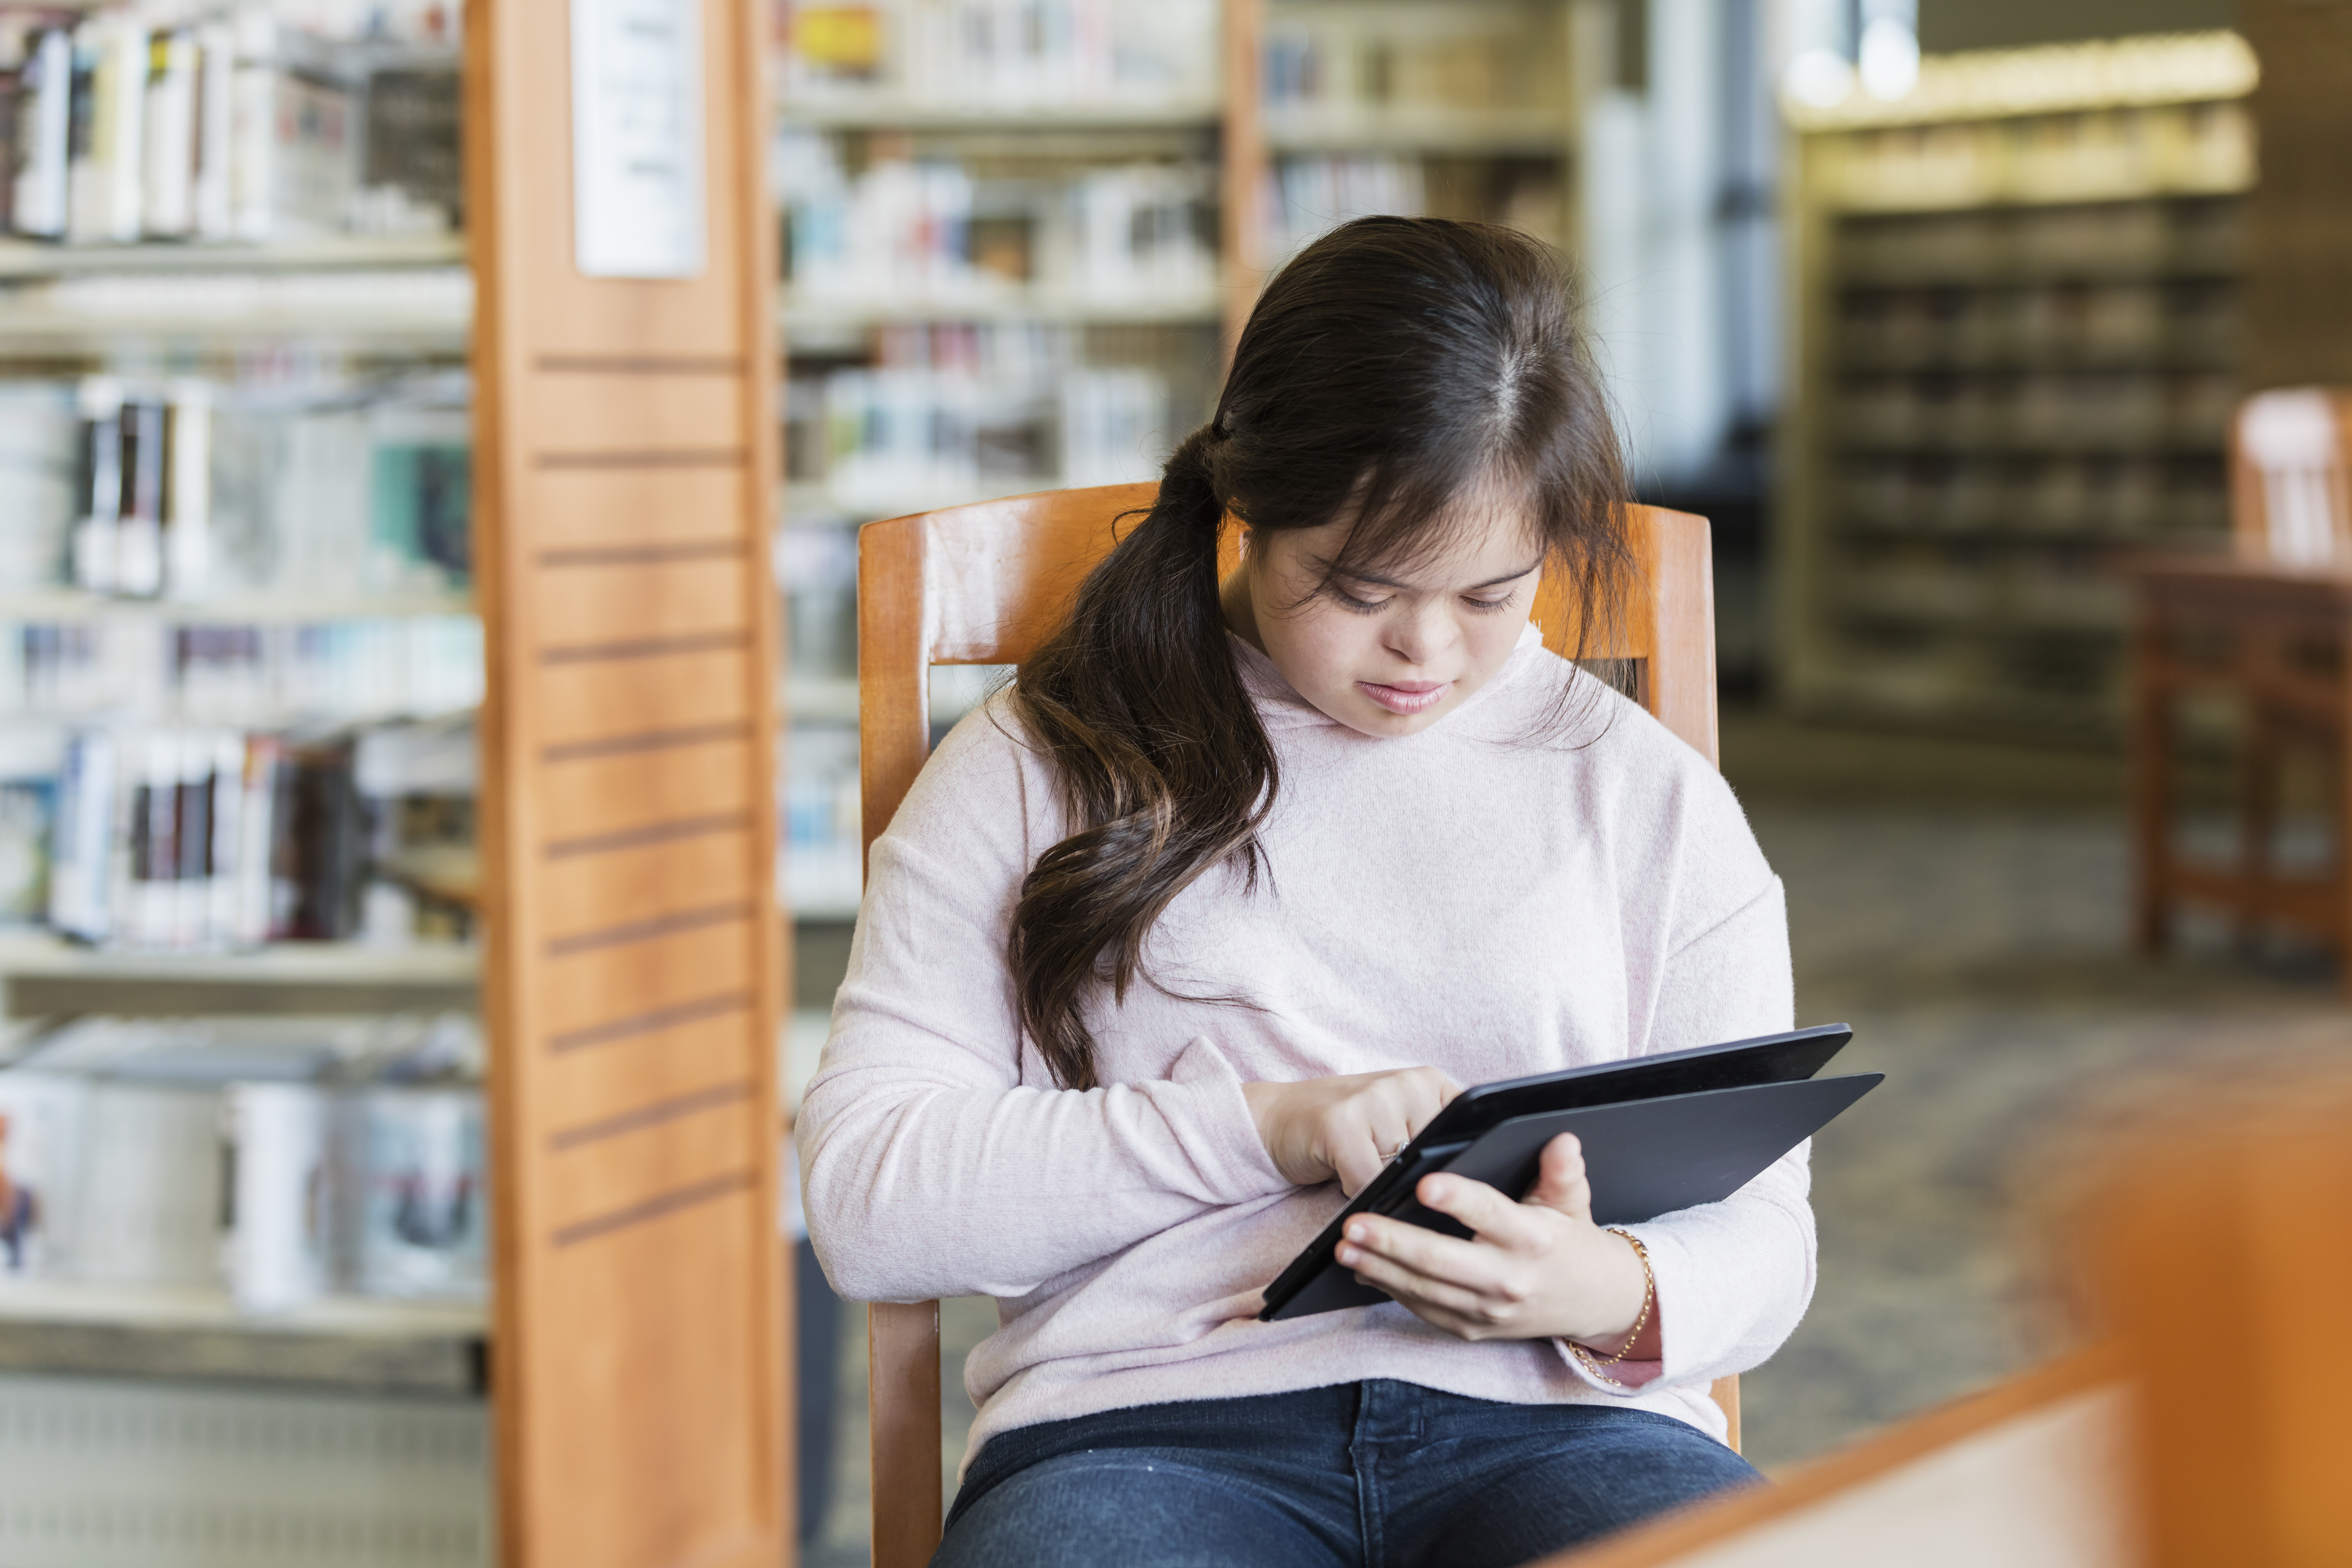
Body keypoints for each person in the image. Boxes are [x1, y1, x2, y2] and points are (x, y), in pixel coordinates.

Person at [800, 217, 1808, 1568]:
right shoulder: (1038, 764)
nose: (1426, 651)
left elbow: (1765, 1234)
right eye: (1357, 586)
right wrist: (1270, 1128)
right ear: (1246, 508)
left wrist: (1609, 1289)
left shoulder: (1644, 793)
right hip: (1140, 1428)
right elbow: (870, 1198)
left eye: (1492, 595)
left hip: (1562, 1427)